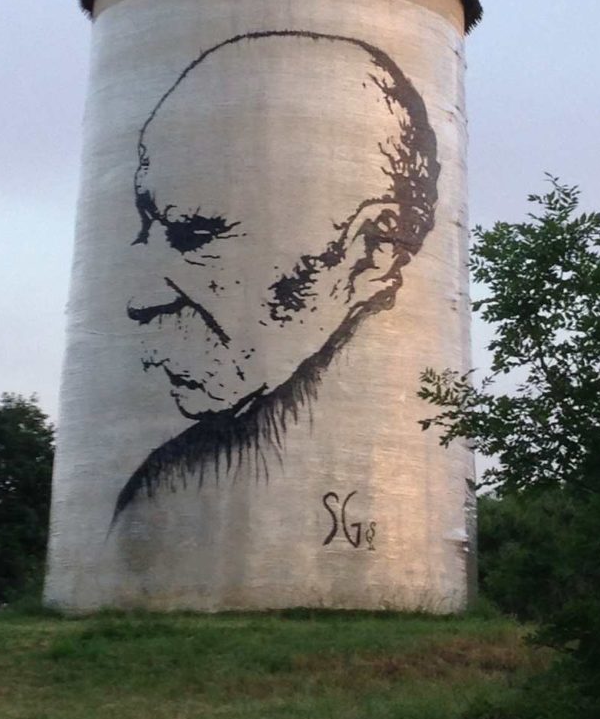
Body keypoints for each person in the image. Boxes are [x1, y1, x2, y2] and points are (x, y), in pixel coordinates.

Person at [114, 30, 439, 520]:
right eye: (146, 226)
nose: (139, 297)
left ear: (372, 250)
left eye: (194, 235)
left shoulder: (181, 483)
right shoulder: (165, 482)